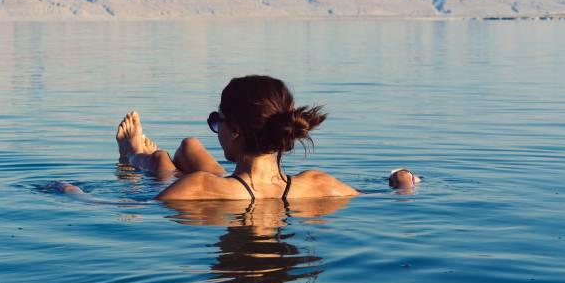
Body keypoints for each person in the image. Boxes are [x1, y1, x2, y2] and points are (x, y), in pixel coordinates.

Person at [111, 75, 416, 202]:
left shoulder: (198, 186)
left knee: (164, 165)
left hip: (231, 189)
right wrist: (402, 180)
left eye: (218, 122)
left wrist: (68, 190)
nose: (218, 131)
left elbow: (114, 205)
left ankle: (135, 154)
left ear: (236, 131)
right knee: (190, 145)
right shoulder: (320, 184)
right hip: (249, 187)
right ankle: (143, 155)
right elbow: (386, 196)